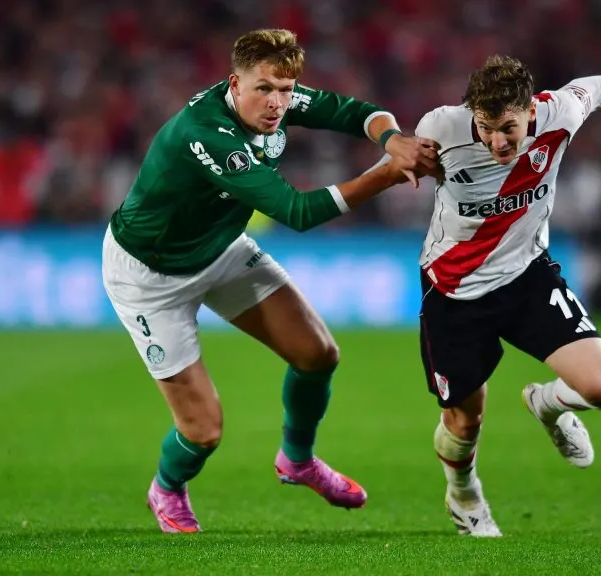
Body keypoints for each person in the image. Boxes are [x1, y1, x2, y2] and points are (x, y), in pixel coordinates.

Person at [101, 28, 440, 533]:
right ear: (234, 84)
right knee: (203, 431)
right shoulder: (207, 133)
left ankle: (297, 461)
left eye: (285, 89)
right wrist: (387, 174)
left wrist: (394, 140)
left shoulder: (276, 98)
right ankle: (166, 487)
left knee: (318, 354)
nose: (277, 102)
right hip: (150, 276)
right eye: (264, 89)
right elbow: (296, 212)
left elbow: (355, 113)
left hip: (220, 248)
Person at [406, 55, 601, 537]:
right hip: (454, 291)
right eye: (486, 128)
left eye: (508, 128)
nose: (497, 142)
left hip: (527, 276)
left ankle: (546, 404)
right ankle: (464, 495)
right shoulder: (441, 127)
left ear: (530, 111)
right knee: (464, 422)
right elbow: (405, 158)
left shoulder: (558, 113)